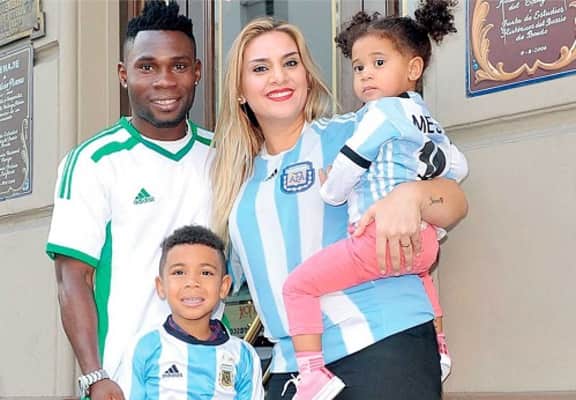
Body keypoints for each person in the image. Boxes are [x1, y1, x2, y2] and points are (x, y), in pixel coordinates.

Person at [211, 15, 468, 400]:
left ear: (307, 76)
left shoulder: (356, 131)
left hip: (380, 347)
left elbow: (455, 201)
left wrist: (413, 196)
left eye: (290, 63)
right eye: (260, 68)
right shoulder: (234, 178)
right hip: (292, 368)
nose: (279, 77)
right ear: (239, 91)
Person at [280, 1, 464, 397]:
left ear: (413, 69)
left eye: (378, 63)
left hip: (375, 240)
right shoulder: (426, 119)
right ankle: (440, 346)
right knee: (420, 276)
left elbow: (351, 163)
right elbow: (457, 166)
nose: (365, 75)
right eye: (359, 67)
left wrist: (330, 187)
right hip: (422, 240)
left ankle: (311, 374)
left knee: (297, 287)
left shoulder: (379, 114)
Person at [46, 2, 212, 398]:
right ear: (124, 75)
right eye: (147, 67)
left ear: (197, 71)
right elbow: (72, 279)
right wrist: (95, 375)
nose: (165, 81)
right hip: (124, 383)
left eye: (179, 66)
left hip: (208, 379)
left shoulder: (223, 155)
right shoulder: (93, 161)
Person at [116, 225, 265, 399]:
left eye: (206, 273)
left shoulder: (243, 356)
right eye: (179, 272)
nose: (192, 282)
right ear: (161, 286)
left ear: (224, 286)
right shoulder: (144, 348)